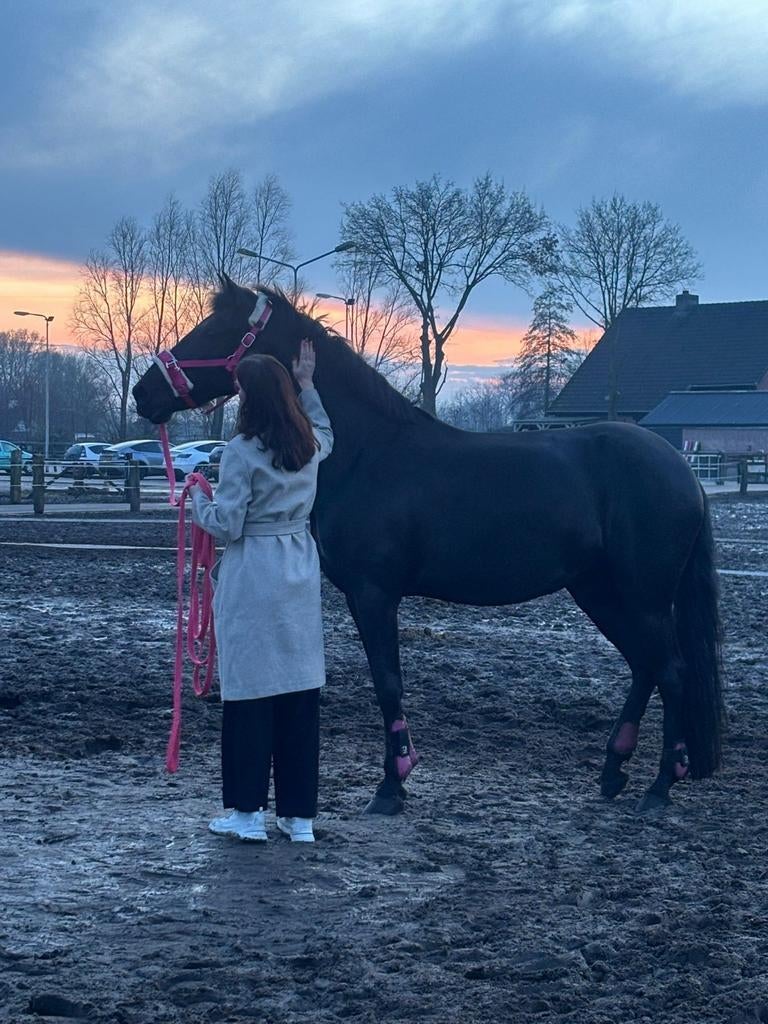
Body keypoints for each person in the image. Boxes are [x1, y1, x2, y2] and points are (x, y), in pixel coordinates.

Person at [189, 339, 333, 843]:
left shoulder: (240, 452)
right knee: (298, 691)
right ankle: (299, 817)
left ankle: (247, 814)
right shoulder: (310, 442)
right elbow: (330, 431)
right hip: (298, 567)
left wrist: (196, 506)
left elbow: (227, 526)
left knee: (249, 692)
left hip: (254, 572)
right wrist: (310, 384)